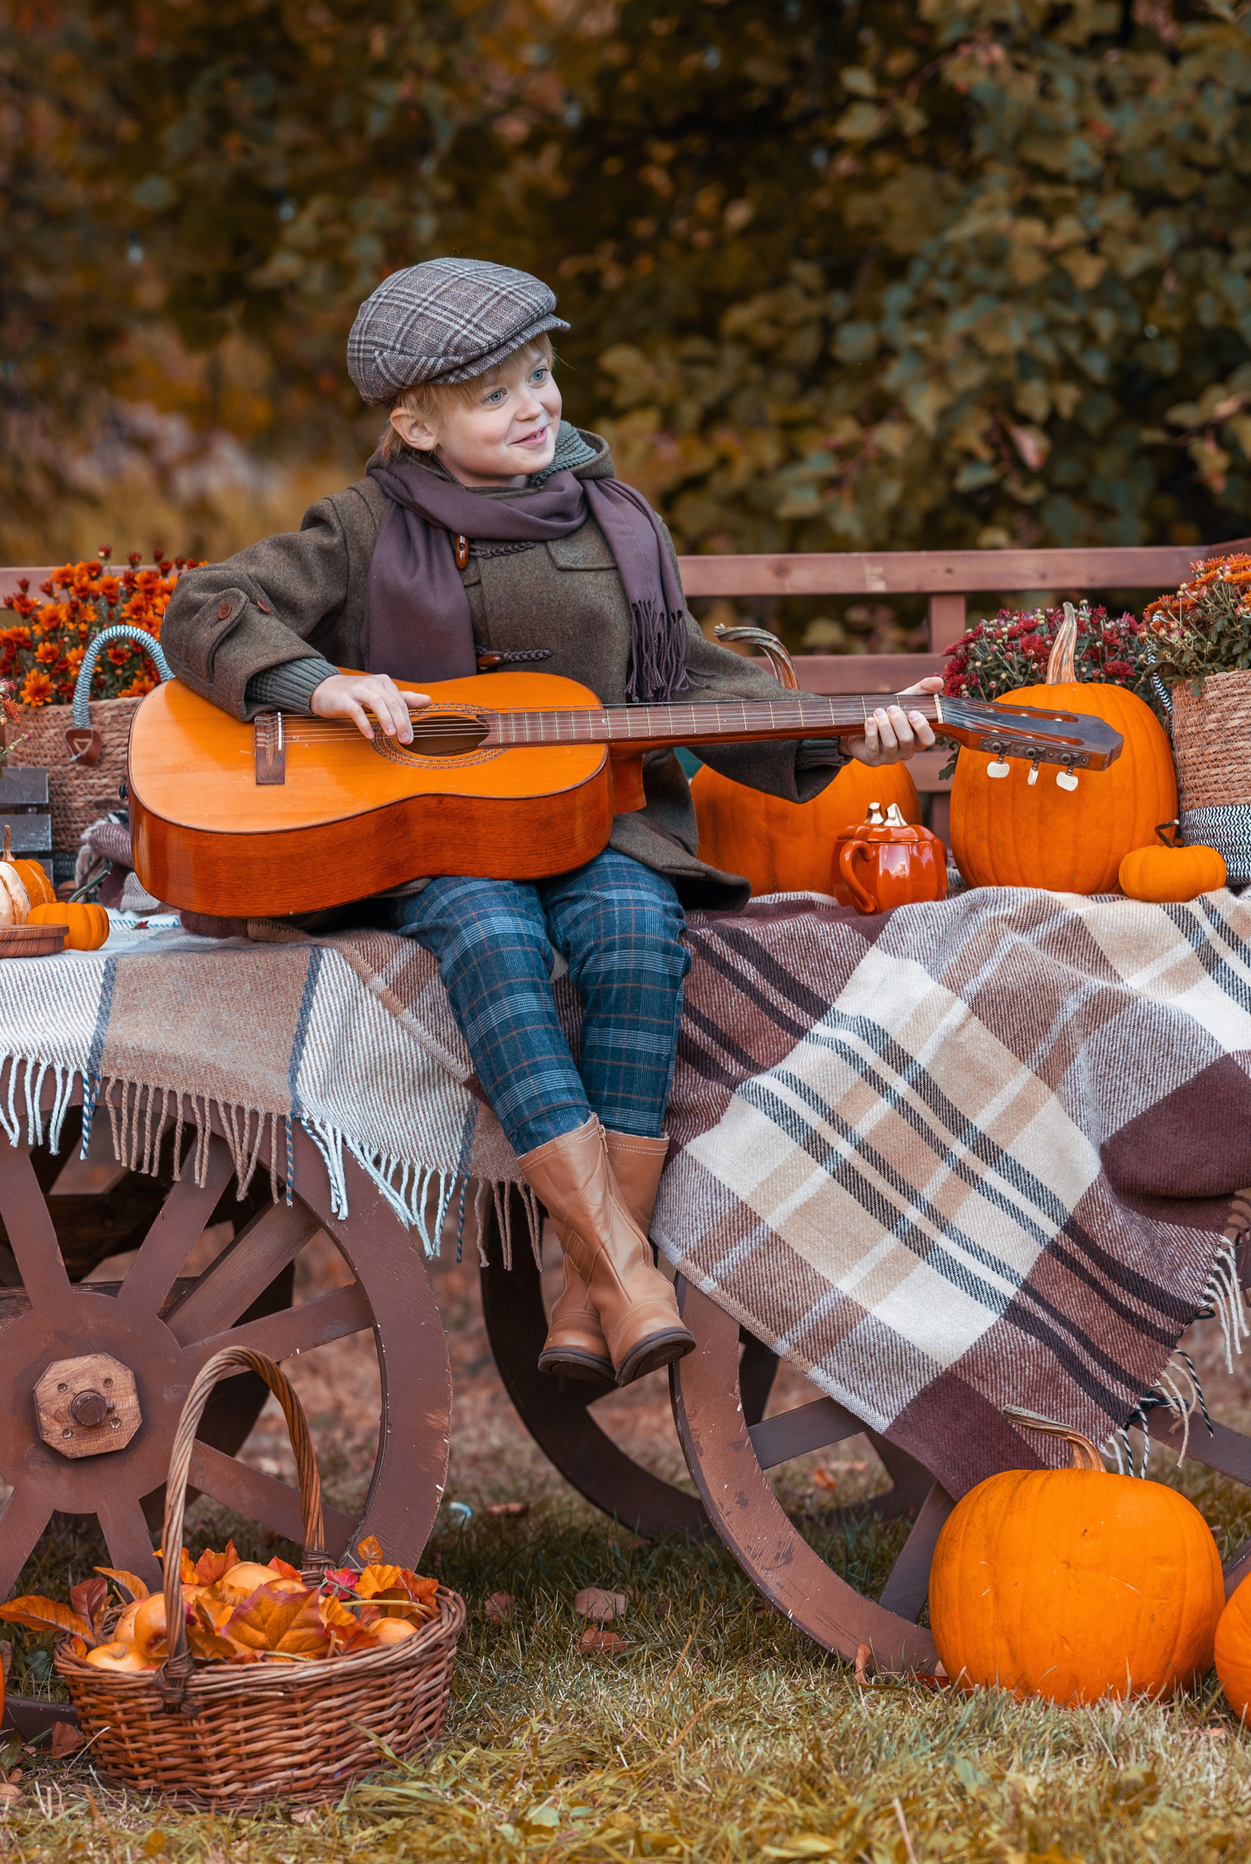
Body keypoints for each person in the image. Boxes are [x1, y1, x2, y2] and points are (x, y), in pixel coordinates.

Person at [158, 258, 935, 1387]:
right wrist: (314, 686)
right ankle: (624, 1270)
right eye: (493, 394)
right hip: (434, 843)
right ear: (414, 422)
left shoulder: (612, 524)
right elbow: (208, 606)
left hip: (597, 825)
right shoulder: (362, 524)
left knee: (630, 930)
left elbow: (686, 685)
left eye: (541, 373)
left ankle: (587, 1289)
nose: (536, 405)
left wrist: (847, 733)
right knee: (494, 938)